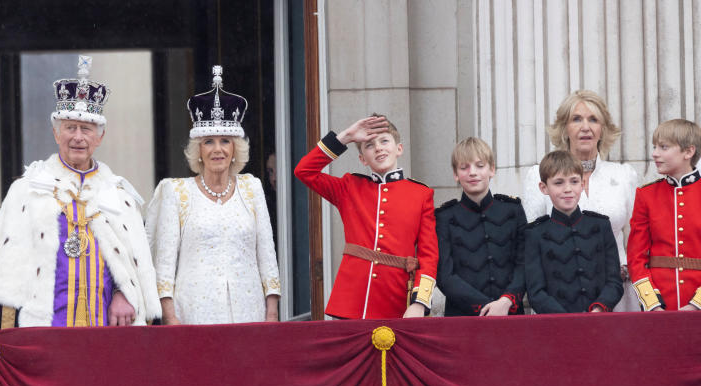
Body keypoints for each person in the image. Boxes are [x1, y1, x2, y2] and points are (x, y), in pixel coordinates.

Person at [0, 55, 159, 328]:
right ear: (55, 133)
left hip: (105, 331)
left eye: (86, 129)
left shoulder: (120, 196)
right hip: (43, 329)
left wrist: (125, 293)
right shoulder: (26, 190)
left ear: (100, 137)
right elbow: (6, 270)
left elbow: (134, 267)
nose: (78, 137)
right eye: (70, 128)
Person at [145, 65, 280, 325]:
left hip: (248, 312)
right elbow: (164, 265)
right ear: (198, 149)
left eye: (225, 141)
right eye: (209, 142)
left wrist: (271, 315)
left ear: (235, 148)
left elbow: (267, 256)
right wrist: (171, 319)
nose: (217, 149)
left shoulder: (252, 188)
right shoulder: (176, 192)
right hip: (193, 314)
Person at [294, 114, 436, 319]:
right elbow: (304, 171)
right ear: (362, 159)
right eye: (369, 145)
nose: (378, 148)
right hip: (351, 300)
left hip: (396, 301)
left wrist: (420, 303)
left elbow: (429, 256)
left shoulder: (421, 194)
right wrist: (345, 137)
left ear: (399, 149)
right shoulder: (349, 187)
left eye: (384, 141)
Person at [521, 90, 638, 311]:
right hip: (557, 299)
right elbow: (529, 238)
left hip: (616, 292)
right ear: (565, 128)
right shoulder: (538, 175)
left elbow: (635, 236)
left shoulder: (623, 175)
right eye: (576, 119)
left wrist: (626, 269)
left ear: (603, 129)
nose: (586, 127)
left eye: (593, 119)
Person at [435, 138, 526, 316]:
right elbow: (445, 276)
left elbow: (524, 264)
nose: (473, 173)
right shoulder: (444, 217)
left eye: (479, 165)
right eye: (464, 167)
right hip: (463, 319)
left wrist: (506, 301)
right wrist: (486, 307)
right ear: (455, 174)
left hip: (510, 314)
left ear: (492, 169)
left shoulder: (512, 210)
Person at [524, 151, 622, 314]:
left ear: (582, 184)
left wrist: (598, 308)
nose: (567, 189)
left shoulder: (601, 226)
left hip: (599, 321)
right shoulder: (535, 234)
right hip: (557, 326)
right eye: (559, 183)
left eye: (574, 181)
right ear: (544, 188)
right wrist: (567, 320)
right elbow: (536, 292)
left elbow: (614, 282)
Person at [627, 119, 701, 311]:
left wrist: (696, 305)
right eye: (654, 146)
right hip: (659, 307)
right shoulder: (646, 195)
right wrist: (652, 305)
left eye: (664, 147)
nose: (655, 153)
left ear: (688, 152)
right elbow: (637, 258)